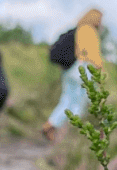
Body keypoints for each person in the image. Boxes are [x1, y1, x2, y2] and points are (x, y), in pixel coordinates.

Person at [44, 8, 103, 142]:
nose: (100, 22)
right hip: (84, 70)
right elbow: (92, 55)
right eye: (99, 18)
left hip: (70, 70)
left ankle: (50, 124)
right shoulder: (90, 31)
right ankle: (70, 134)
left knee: (66, 100)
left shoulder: (78, 29)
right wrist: (100, 70)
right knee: (78, 103)